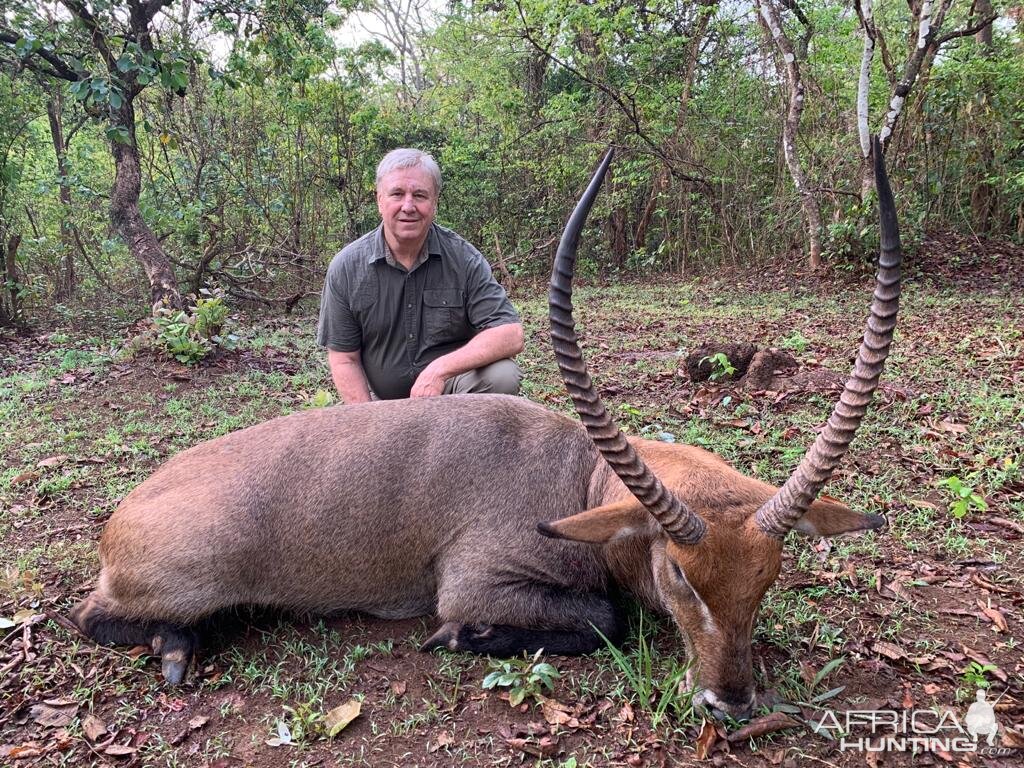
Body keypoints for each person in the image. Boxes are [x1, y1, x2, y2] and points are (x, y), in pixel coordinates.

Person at [317, 148, 524, 403]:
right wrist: (369, 422)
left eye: (419, 195)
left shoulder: (463, 258)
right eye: (397, 194)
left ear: (434, 202)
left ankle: (457, 442)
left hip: (448, 398)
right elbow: (343, 358)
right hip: (383, 405)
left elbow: (510, 333)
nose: (408, 206)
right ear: (379, 200)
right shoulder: (346, 267)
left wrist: (438, 372)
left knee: (502, 375)